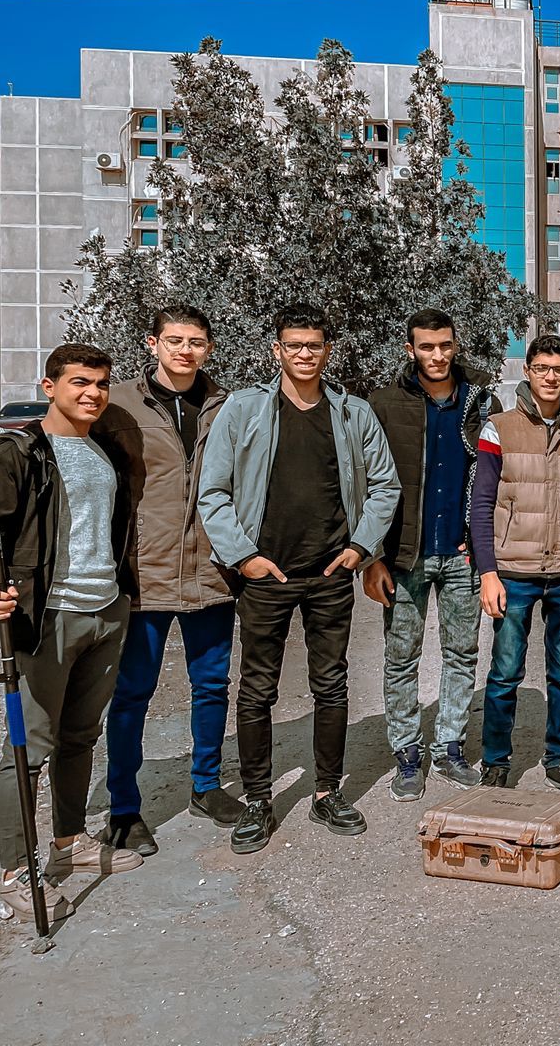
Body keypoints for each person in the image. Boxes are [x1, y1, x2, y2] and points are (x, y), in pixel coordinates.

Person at [197, 304, 400, 854]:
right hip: (265, 575)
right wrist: (244, 557)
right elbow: (212, 492)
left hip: (330, 573)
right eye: (294, 345)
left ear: (327, 350)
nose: (304, 354)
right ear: (277, 350)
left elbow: (384, 485)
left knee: (331, 684)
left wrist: (361, 547)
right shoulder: (244, 409)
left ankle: (327, 792)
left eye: (314, 345)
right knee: (257, 688)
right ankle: (258, 799)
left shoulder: (352, 413)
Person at [0, 344, 141, 923]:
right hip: (47, 617)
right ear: (48, 386)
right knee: (27, 748)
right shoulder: (18, 452)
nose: (92, 393)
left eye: (100, 383)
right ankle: (15, 873)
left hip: (106, 610)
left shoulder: (105, 451)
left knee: (80, 737)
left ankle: (68, 844)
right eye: (79, 382)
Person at [93, 306, 241, 855]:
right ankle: (124, 809)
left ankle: (206, 785)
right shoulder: (117, 406)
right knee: (133, 692)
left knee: (212, 685)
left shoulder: (227, 406)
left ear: (209, 348)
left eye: (196, 341)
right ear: (152, 343)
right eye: (174, 340)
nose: (185, 350)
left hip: (212, 572)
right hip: (143, 574)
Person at [365, 309, 500, 800]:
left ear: (455, 344)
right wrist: (371, 558)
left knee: (462, 654)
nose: (437, 355)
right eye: (426, 346)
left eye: (445, 345)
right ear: (411, 349)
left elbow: (496, 480)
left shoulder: (481, 401)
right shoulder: (383, 404)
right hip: (405, 556)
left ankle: (449, 746)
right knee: (401, 656)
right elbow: (365, 483)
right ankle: (406, 753)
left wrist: (485, 548)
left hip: (462, 555)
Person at [471, 334, 560, 795]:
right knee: (505, 674)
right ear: (528, 371)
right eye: (542, 368)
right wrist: (488, 573)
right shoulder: (499, 428)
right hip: (514, 572)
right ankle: (496, 762)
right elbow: (482, 505)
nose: (551, 377)